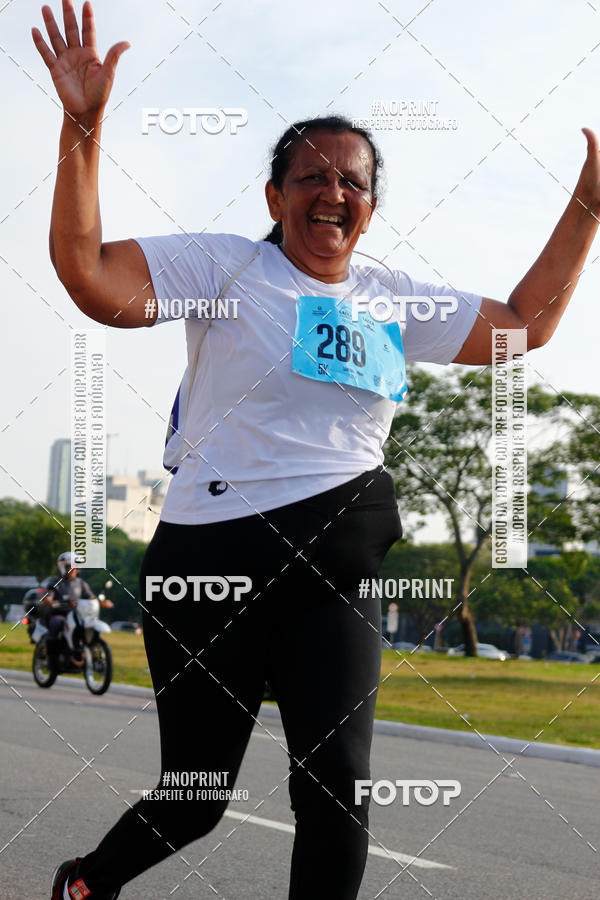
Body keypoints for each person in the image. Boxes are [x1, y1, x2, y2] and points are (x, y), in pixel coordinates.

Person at [32, 3, 600, 898]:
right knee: (198, 796)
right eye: (311, 176)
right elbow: (92, 279)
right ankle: (85, 883)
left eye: (354, 181)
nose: (333, 192)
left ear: (371, 208)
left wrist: (588, 207)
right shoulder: (228, 269)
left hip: (336, 568)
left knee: (336, 794)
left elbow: (520, 328)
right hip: (210, 563)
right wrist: (81, 127)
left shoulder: (390, 297)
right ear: (275, 196)